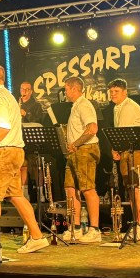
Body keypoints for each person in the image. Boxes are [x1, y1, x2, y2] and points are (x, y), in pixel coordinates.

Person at [0, 63, 49, 254]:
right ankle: (37, 237)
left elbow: (3, 127)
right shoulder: (7, 96)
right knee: (16, 195)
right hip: (14, 151)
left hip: (2, 151)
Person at [107, 78, 140, 239]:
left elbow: (123, 131)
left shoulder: (128, 107)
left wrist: (115, 148)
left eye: (117, 91)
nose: (113, 94)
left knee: (137, 185)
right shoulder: (117, 108)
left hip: (139, 149)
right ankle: (138, 222)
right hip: (128, 149)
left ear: (125, 92)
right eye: (111, 92)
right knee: (130, 186)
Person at [61, 75, 102, 243]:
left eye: (66, 89)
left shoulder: (84, 105)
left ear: (74, 88)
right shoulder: (76, 106)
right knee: (70, 188)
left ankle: (95, 229)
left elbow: (92, 128)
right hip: (75, 152)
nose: (65, 92)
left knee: (87, 188)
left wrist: (76, 143)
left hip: (85, 149)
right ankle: (76, 227)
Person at [18, 81, 44, 197]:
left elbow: (39, 121)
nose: (24, 92)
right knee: (22, 165)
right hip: (20, 139)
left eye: (27, 89)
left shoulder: (36, 105)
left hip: (32, 139)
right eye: (22, 89)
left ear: (31, 92)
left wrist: (26, 114)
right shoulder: (17, 104)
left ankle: (40, 193)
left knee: (35, 166)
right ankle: (24, 193)